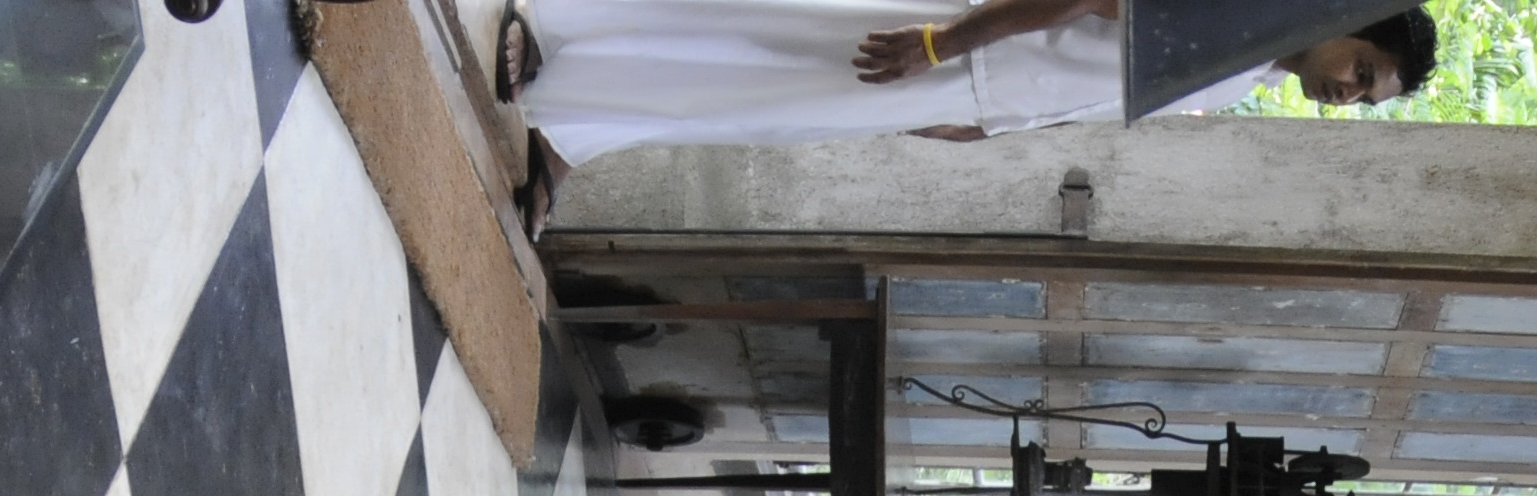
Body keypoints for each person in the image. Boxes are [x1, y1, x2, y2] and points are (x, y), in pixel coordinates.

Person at [507, 0, 1433, 187]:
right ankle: (560, 25)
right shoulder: (1240, 18)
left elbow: (1092, 95)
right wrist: (938, 44)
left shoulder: (1248, 77)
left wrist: (987, 130)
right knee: (770, 27)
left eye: (1365, 99)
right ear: (1350, 21)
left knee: (768, 111)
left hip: (972, 90)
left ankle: (576, 128)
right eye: (1362, 72)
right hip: (958, 38)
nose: (1346, 94)